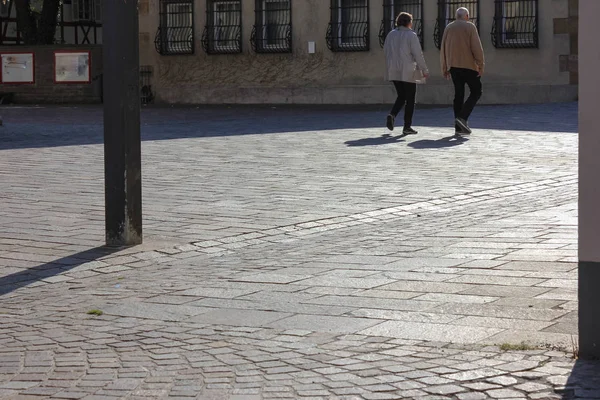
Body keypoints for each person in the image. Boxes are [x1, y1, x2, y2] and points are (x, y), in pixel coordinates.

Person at [440, 7, 485, 136]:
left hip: (453, 66)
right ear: (467, 16)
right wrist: (481, 65)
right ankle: (463, 118)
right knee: (477, 91)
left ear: (456, 16)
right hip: (469, 66)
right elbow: (477, 47)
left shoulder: (449, 27)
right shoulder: (470, 27)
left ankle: (458, 127)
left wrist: (444, 68)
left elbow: (443, 48)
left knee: (458, 95)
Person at [384, 12, 429, 135]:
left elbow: (386, 51)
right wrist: (424, 69)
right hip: (408, 70)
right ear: (409, 22)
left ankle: (392, 114)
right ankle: (407, 126)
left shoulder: (391, 35)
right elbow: (417, 54)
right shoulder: (411, 35)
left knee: (401, 95)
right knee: (410, 98)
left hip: (393, 69)